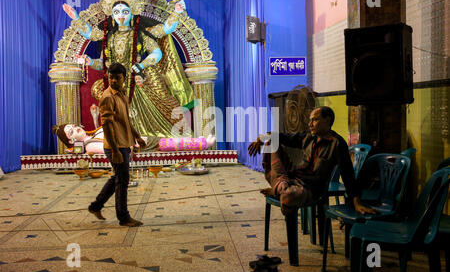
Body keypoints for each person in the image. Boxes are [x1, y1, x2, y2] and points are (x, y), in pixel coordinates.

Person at [63, 0, 195, 138]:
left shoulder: (140, 33)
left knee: (164, 101)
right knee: (98, 90)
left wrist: (177, 12)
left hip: (140, 77)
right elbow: (98, 52)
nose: (120, 16)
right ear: (111, 14)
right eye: (116, 12)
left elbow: (158, 50)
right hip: (117, 82)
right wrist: (89, 60)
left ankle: (170, 135)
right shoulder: (109, 37)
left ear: (131, 13)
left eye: (125, 12)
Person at [248, 106, 377, 216]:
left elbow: (348, 174)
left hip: (310, 189)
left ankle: (279, 189)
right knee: (272, 142)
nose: (310, 124)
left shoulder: (337, 144)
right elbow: (283, 137)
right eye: (310, 120)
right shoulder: (309, 137)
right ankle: (281, 188)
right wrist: (262, 137)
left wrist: (356, 201)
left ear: (327, 120)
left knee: (289, 196)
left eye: (314, 120)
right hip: (292, 178)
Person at [87, 62, 146, 227]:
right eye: (111, 77)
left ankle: (96, 206)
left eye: (117, 77)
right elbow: (107, 126)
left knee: (118, 178)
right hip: (115, 145)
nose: (113, 80)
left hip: (124, 143)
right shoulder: (107, 97)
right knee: (122, 180)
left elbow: (125, 120)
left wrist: (137, 137)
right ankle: (123, 217)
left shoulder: (122, 95)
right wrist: (115, 151)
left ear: (124, 79)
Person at [52, 124, 216, 153]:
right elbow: (111, 150)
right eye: (71, 132)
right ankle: (203, 144)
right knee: (171, 143)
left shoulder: (93, 134)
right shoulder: (89, 146)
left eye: (73, 126)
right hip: (140, 146)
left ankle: (200, 142)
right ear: (71, 141)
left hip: (140, 139)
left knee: (170, 140)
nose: (75, 129)